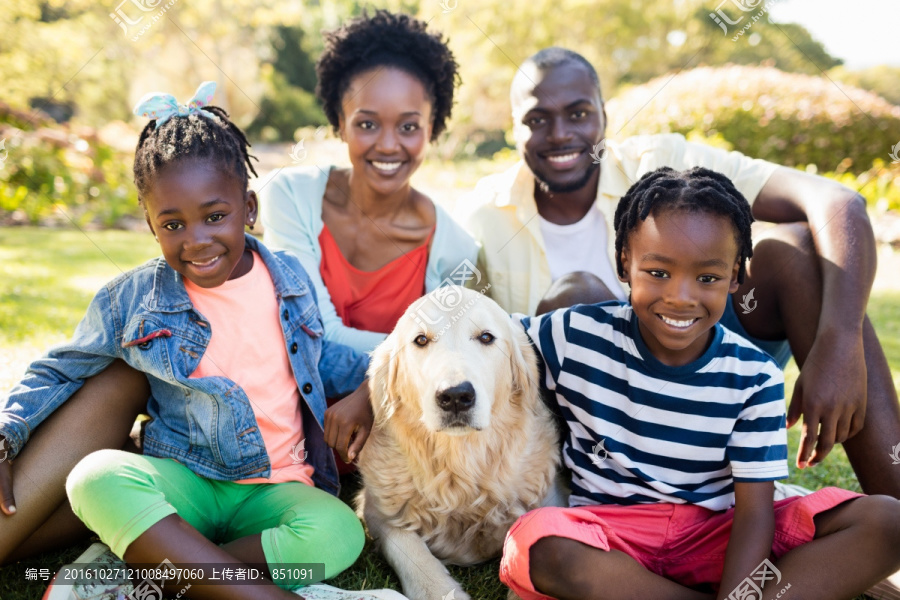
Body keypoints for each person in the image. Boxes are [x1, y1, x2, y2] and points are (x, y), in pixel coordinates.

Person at [458, 47, 900, 497]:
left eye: (578, 113)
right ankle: (649, 497)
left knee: (795, 249)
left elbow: (838, 203)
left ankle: (896, 504)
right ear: (512, 126)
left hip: (705, 367)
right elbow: (461, 344)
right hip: (597, 422)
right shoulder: (483, 217)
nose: (560, 134)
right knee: (578, 298)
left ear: (603, 117)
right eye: (536, 119)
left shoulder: (661, 161)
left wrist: (839, 345)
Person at [0, 82, 368, 598]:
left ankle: (148, 577)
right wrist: (5, 434)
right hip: (186, 485)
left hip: (277, 493)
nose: (196, 240)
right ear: (151, 227)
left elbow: (324, 357)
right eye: (173, 224)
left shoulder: (288, 279)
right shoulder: (134, 299)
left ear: (249, 208)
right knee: (95, 477)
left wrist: (375, 383)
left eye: (215, 216)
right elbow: (59, 370)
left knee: (340, 532)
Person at [499, 166, 900, 600]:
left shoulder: (754, 377)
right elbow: (487, 339)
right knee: (535, 544)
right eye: (658, 272)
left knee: (887, 521)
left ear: (735, 278)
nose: (680, 296)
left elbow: (753, 517)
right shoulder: (572, 335)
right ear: (624, 264)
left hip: (715, 537)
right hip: (611, 541)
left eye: (707, 278)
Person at [260, 10, 478, 357]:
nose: (389, 145)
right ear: (340, 122)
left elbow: (446, 359)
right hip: (292, 409)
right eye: (367, 125)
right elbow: (314, 330)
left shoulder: (454, 249)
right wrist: (418, 348)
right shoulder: (290, 197)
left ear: (432, 127)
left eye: (408, 127)